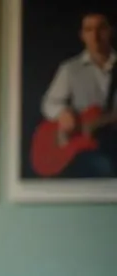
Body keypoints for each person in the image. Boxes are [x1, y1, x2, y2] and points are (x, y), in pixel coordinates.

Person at [39, 10, 116, 178]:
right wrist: (62, 113)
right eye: (89, 30)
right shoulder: (70, 69)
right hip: (82, 149)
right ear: (82, 35)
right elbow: (49, 103)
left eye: (101, 29)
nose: (95, 36)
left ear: (111, 31)